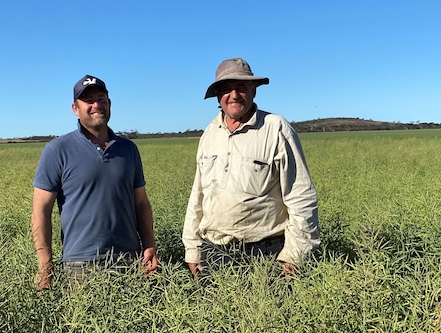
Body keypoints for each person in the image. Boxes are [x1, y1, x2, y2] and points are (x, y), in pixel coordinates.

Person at [182, 58, 320, 277]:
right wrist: (192, 250)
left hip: (267, 253)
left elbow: (301, 195)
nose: (234, 95)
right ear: (218, 96)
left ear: (254, 90)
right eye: (227, 89)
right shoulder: (210, 133)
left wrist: (294, 256)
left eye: (242, 87)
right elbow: (198, 195)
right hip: (215, 252)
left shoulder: (276, 128)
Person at [31, 75, 158, 289]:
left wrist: (149, 246)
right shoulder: (57, 150)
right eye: (88, 101)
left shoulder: (128, 149)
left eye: (101, 99)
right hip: (81, 265)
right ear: (75, 108)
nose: (96, 105)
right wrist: (45, 267)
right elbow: (40, 211)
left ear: (109, 104)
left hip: (129, 260)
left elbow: (141, 204)